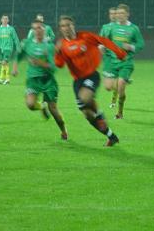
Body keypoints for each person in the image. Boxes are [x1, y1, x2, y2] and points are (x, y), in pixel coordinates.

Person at [54, 15, 127, 146]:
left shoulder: (86, 36)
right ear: (60, 29)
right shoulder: (62, 45)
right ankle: (111, 136)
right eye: (63, 26)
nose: (66, 28)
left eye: (68, 25)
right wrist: (57, 52)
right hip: (77, 82)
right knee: (88, 115)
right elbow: (59, 64)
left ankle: (99, 114)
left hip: (91, 76)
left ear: (73, 26)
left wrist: (119, 53)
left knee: (85, 98)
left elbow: (104, 41)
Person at [14, 19, 68, 140]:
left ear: (44, 29)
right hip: (33, 80)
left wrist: (40, 63)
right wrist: (15, 68)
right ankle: (42, 107)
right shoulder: (27, 43)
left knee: (53, 110)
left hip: (48, 80)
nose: (37, 30)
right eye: (34, 28)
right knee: (30, 105)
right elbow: (19, 55)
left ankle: (64, 131)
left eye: (39, 28)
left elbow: (53, 67)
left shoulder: (49, 46)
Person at [104, 3, 145, 118]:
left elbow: (141, 44)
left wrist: (131, 47)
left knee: (121, 86)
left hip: (126, 62)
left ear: (127, 14)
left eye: (122, 13)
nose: (119, 15)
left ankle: (120, 113)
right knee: (108, 87)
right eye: (118, 13)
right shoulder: (111, 27)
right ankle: (121, 82)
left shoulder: (133, 28)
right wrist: (102, 46)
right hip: (112, 62)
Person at [0, 14, 20, 84]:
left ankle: (6, 79)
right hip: (0, 48)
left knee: (4, 62)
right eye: (3, 19)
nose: (5, 20)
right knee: (2, 63)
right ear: (1, 20)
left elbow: (15, 38)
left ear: (8, 20)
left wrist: (18, 46)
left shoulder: (11, 29)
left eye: (6, 19)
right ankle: (2, 79)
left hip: (8, 48)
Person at [99, 7, 119, 108]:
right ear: (109, 15)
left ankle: (114, 101)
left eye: (115, 13)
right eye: (111, 14)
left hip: (118, 58)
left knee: (116, 80)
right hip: (107, 59)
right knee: (108, 87)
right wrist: (100, 47)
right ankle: (119, 87)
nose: (113, 15)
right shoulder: (105, 27)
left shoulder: (121, 28)